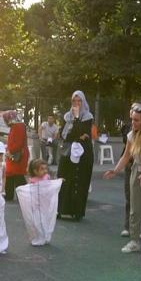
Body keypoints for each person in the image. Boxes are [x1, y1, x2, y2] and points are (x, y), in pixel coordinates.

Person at [103, 103, 141, 258]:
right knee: (134, 208)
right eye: (132, 120)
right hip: (137, 169)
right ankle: (134, 241)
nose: (133, 123)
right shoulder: (131, 135)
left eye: (136, 120)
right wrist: (115, 170)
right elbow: (126, 156)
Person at [57, 91, 94, 220]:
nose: (77, 104)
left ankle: (76, 212)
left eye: (79, 101)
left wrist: (77, 119)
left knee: (79, 180)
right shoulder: (67, 116)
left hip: (82, 153)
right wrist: (77, 134)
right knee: (64, 178)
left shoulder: (87, 116)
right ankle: (61, 210)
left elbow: (83, 134)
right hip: (68, 151)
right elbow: (63, 134)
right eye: (74, 101)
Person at [3, 110, 29, 201]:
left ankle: (23, 195)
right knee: (13, 174)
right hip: (17, 154)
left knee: (17, 175)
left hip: (17, 154)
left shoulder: (17, 127)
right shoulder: (17, 126)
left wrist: (10, 151)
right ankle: (12, 195)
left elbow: (18, 143)